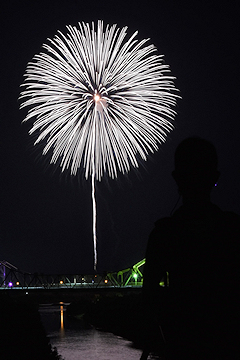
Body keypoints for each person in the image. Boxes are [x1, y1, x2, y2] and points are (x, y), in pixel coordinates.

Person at [142, 137, 240, 359]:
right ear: (214, 178)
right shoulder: (233, 229)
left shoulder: (163, 234)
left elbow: (148, 300)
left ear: (177, 179)